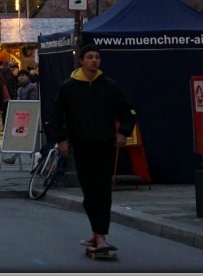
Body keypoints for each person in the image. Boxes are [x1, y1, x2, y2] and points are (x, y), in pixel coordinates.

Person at [48, 44, 136, 254]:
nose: (94, 61)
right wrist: (61, 140)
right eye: (89, 57)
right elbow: (55, 116)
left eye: (97, 57)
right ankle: (96, 232)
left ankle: (101, 235)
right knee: (89, 192)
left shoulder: (108, 86)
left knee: (103, 190)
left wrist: (123, 132)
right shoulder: (69, 87)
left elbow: (128, 112)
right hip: (82, 145)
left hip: (105, 144)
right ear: (81, 61)